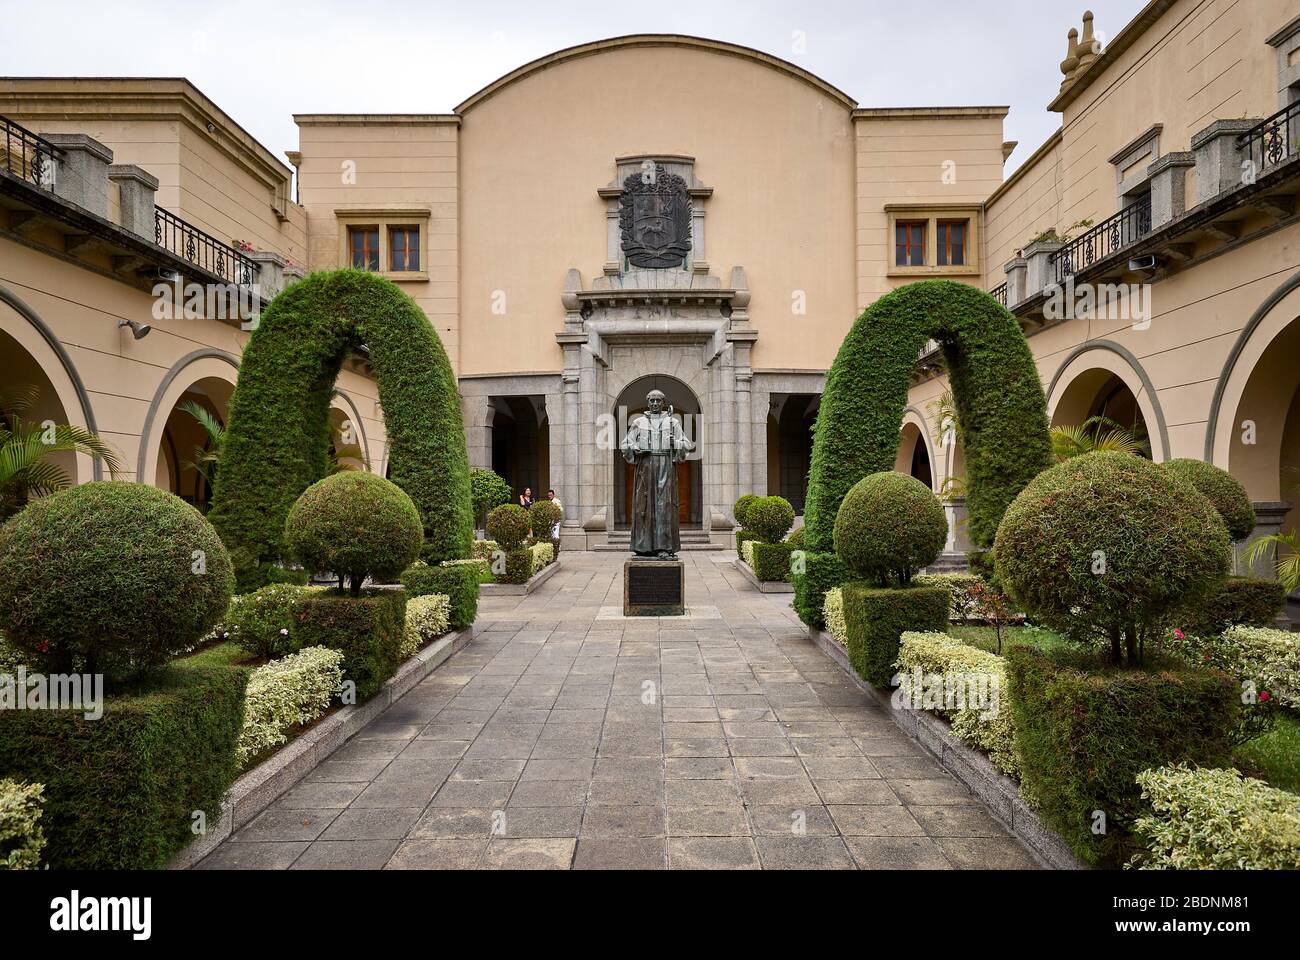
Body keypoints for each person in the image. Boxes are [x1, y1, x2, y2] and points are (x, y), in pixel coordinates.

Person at [620, 389, 694, 558]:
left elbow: (686, 444)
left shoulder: (672, 422)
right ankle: (643, 546)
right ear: (648, 403)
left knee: (664, 506)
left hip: (664, 465)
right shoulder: (638, 422)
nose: (654, 404)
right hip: (645, 465)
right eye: (652, 400)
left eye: (658, 401)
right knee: (643, 505)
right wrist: (634, 448)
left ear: (663, 403)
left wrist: (674, 442)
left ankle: (664, 546)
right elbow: (625, 444)